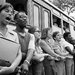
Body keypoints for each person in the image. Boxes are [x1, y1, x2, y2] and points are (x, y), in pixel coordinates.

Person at [0, 3, 22, 75]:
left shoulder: (14, 35)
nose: (10, 14)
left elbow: (19, 53)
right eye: (7, 11)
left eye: (12, 12)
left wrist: (12, 68)